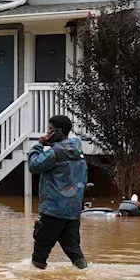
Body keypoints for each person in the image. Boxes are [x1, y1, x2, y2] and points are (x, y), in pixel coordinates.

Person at [27, 114, 89, 270]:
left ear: (58, 132)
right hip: (73, 211)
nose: (47, 133)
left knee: (39, 255)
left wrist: (39, 145)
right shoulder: (78, 151)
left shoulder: (55, 153)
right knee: (74, 252)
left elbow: (33, 165)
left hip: (53, 210)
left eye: (50, 130)